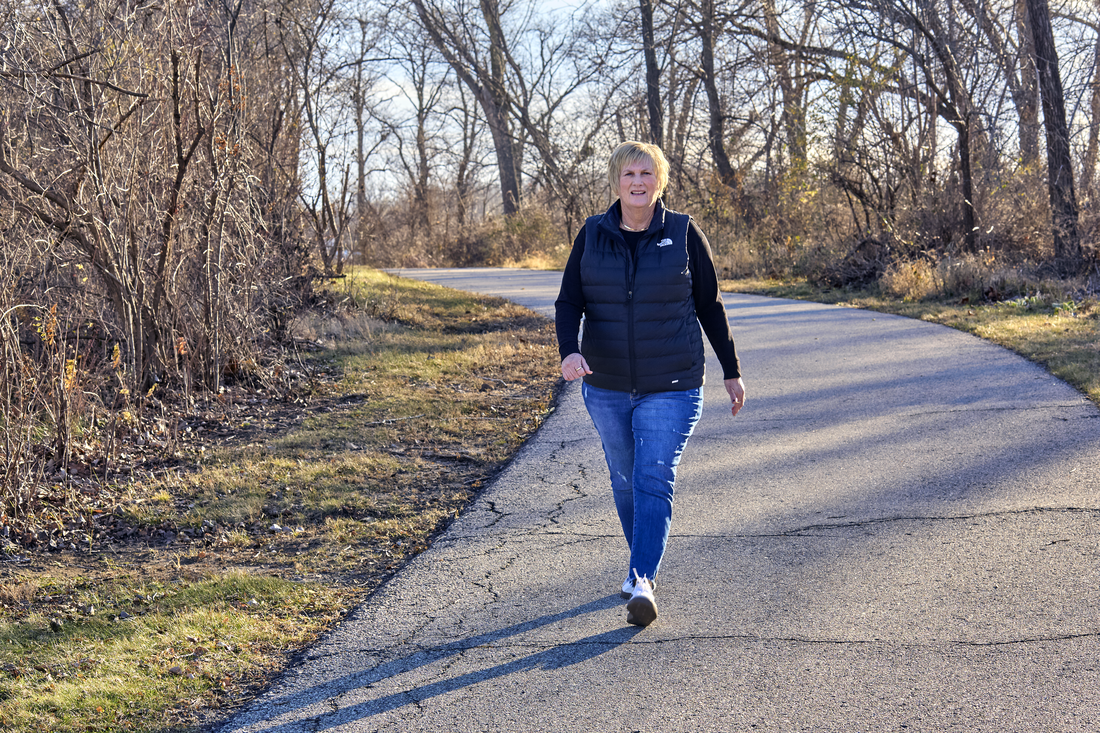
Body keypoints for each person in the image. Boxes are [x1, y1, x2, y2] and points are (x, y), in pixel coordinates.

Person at [555, 140, 746, 627]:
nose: (637, 183)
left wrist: (731, 370)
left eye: (646, 173)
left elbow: (710, 305)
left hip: (674, 382)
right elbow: (568, 303)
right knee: (624, 478)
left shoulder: (683, 233)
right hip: (607, 382)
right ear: (616, 182)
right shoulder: (592, 234)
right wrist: (569, 351)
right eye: (628, 174)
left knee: (653, 474)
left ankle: (643, 580)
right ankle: (639, 563)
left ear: (660, 180)